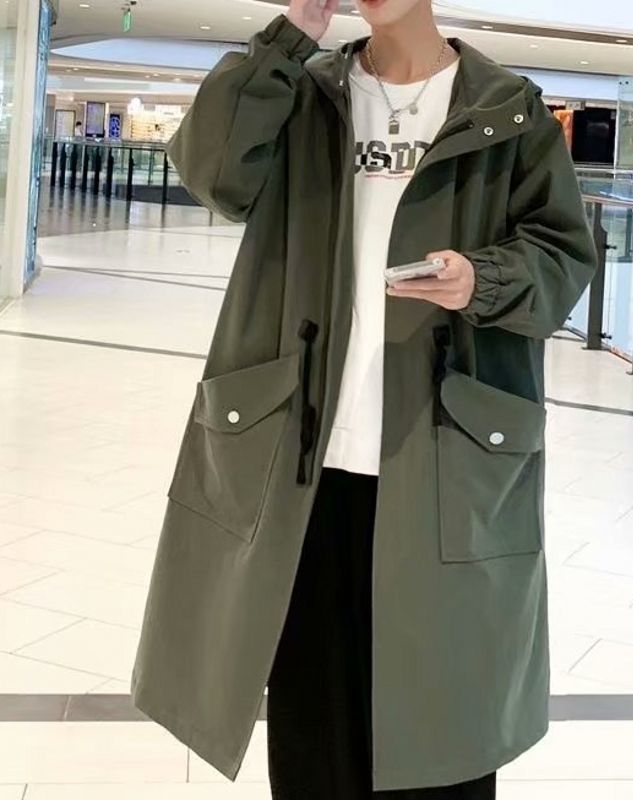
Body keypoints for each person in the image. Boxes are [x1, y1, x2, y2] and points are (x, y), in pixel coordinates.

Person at [130, 0, 597, 798]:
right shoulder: (304, 89)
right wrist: (291, 35)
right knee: (313, 733)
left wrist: (482, 279)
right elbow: (213, 172)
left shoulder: (507, 109)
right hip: (303, 461)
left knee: (442, 726)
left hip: (444, 458)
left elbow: (562, 258)